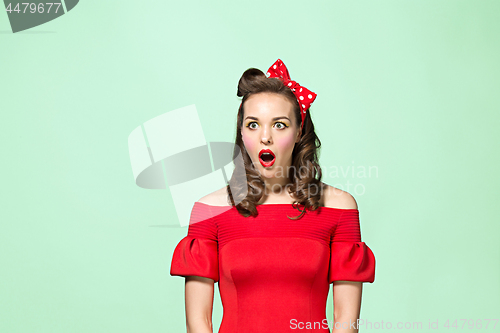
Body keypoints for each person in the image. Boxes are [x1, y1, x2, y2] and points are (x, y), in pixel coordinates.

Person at [170, 59, 376, 333]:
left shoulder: (339, 207)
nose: (265, 136)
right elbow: (198, 323)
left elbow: (345, 321)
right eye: (253, 125)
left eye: (279, 125)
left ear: (299, 130)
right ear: (242, 132)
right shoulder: (209, 209)